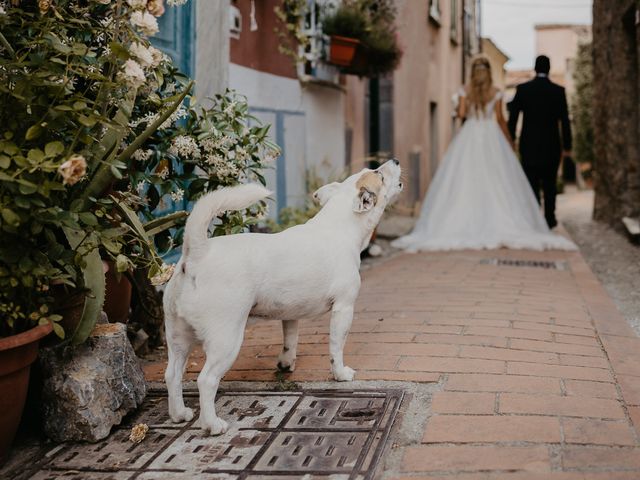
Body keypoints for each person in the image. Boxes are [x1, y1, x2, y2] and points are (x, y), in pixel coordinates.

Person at [392, 55, 575, 252]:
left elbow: (461, 114)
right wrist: (509, 141)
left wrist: (461, 108)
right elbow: (500, 119)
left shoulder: (465, 91)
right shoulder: (495, 92)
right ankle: (536, 218)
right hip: (491, 135)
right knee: (496, 177)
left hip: (470, 134)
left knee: (465, 178)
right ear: (488, 72)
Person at [508, 55, 572, 229]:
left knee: (531, 182)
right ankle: (549, 218)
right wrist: (567, 146)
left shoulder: (523, 89)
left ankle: (534, 216)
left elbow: (513, 118)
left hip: (528, 145)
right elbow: (565, 121)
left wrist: (510, 139)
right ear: (549, 69)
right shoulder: (558, 91)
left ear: (535, 69)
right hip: (551, 145)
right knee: (550, 183)